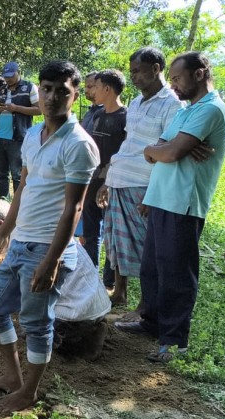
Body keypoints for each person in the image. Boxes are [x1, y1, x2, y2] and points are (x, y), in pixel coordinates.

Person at [0, 60, 99, 412]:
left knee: (36, 322)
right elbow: (23, 188)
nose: (52, 97)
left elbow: (73, 209)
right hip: (21, 243)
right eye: (46, 89)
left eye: (62, 91)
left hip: (47, 248)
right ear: (39, 91)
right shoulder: (33, 134)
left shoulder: (79, 144)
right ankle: (14, 380)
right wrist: (4, 234)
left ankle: (28, 393)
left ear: (75, 96)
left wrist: (52, 261)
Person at [117, 52, 225, 363]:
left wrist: (168, 149)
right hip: (161, 198)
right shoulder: (186, 111)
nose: (173, 84)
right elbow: (157, 151)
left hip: (183, 202)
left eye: (177, 78)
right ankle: (152, 323)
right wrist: (162, 149)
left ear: (198, 74)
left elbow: (169, 152)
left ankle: (175, 342)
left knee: (177, 273)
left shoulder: (212, 110)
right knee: (151, 268)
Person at [97, 47, 183, 311]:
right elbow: (128, 145)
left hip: (144, 184)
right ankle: (119, 293)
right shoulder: (135, 103)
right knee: (116, 242)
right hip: (119, 180)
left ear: (156, 69)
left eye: (138, 71)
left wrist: (154, 193)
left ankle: (146, 306)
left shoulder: (172, 103)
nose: (133, 77)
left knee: (147, 249)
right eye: (131, 71)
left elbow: (169, 150)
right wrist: (107, 179)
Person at [0, 200, 110, 362]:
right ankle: (92, 327)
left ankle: (82, 345)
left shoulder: (22, 242)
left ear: (0, 224)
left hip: (75, 314)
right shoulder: (36, 226)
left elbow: (25, 292)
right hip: (93, 304)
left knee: (31, 334)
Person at [82, 70, 127, 289]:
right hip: (92, 182)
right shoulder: (97, 116)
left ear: (107, 89)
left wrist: (107, 180)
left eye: (95, 87)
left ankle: (109, 284)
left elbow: (124, 155)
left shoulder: (126, 118)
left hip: (111, 185)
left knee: (111, 234)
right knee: (91, 233)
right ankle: (91, 276)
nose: (91, 91)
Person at [0, 62, 41, 199]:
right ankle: (3, 202)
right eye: (5, 76)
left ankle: (19, 205)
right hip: (0, 136)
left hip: (18, 138)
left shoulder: (29, 87)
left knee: (17, 174)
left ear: (18, 72)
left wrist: (16, 108)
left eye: (10, 76)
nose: (8, 79)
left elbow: (39, 110)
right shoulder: (1, 89)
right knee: (2, 174)